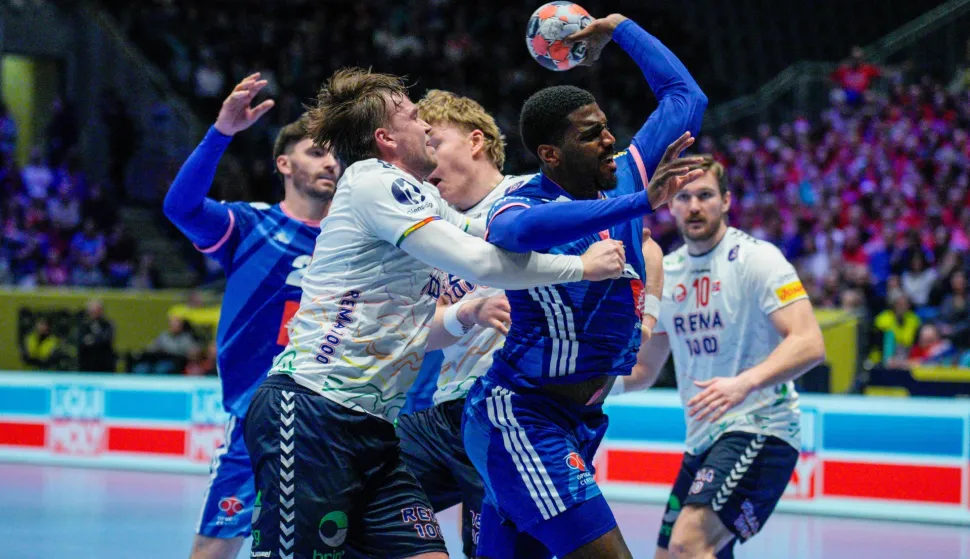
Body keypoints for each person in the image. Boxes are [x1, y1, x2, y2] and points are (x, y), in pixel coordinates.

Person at [243, 66, 634, 559]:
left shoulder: (423, 196)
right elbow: (477, 259)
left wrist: (598, 201)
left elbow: (488, 241)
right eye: (412, 117)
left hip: (376, 428)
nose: (426, 126)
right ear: (385, 138)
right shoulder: (373, 182)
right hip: (311, 411)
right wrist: (581, 266)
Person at [462, 13, 708, 559]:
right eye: (590, 133)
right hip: (523, 417)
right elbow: (515, 232)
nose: (609, 140)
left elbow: (685, 97)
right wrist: (641, 203)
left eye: (605, 126)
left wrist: (621, 29)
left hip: (578, 422)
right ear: (551, 154)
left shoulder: (624, 175)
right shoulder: (523, 202)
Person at [163, 73, 342, 559]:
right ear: (284, 163)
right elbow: (180, 207)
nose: (330, 162)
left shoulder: (356, 243)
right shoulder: (251, 226)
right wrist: (221, 132)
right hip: (256, 424)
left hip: (336, 423)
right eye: (316, 152)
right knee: (213, 551)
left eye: (336, 154)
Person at [625, 156, 826, 559]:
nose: (694, 206)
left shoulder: (758, 259)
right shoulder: (669, 271)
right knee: (671, 555)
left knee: (688, 544)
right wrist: (582, 386)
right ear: (671, 205)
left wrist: (744, 383)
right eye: (684, 197)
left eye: (705, 195)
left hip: (760, 426)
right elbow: (645, 369)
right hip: (701, 440)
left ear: (727, 201)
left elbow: (809, 342)